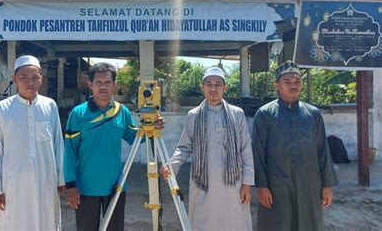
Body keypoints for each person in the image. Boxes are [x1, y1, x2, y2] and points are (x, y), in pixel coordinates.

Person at [64, 62, 163, 231]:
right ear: (90, 85)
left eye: (107, 82)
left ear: (114, 85)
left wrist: (152, 127)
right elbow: (69, 152)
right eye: (99, 83)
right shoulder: (78, 113)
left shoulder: (121, 111)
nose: (103, 87)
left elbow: (134, 138)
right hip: (86, 186)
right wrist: (70, 186)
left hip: (116, 185)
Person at [160, 66, 254, 230]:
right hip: (203, 183)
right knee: (204, 223)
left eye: (218, 84)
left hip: (233, 184)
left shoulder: (237, 114)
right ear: (202, 87)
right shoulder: (194, 115)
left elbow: (245, 150)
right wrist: (171, 165)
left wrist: (247, 183)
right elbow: (184, 147)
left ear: (225, 87)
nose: (213, 88)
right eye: (208, 84)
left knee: (234, 223)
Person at [252, 60, 338, 231]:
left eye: (297, 81)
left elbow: (323, 152)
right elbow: (258, 153)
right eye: (287, 82)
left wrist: (327, 185)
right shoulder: (264, 114)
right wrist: (261, 186)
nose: (293, 86)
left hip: (309, 184)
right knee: (277, 224)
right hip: (276, 185)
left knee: (308, 223)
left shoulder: (312, 114)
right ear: (276, 84)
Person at [0, 55, 65, 231]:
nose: (30, 83)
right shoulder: (2, 109)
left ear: (41, 80)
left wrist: (61, 178)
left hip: (46, 182)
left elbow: (58, 144)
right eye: (24, 78)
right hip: (13, 185)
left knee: (47, 222)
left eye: (35, 78)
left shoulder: (50, 106)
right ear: (14, 80)